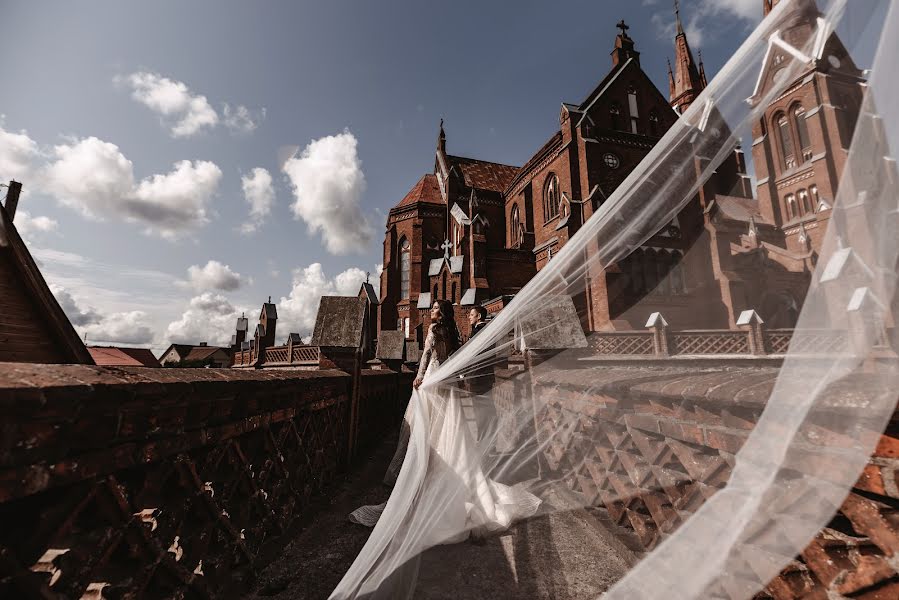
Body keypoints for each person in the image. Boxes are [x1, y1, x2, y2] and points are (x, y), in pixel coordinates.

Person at [338, 299, 540, 599]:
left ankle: (429, 469)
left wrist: (419, 378)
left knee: (428, 433)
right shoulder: (456, 332)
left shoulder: (433, 329)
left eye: (433, 308)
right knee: (451, 433)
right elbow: (451, 359)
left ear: (438, 314)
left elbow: (427, 356)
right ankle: (448, 472)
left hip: (433, 382)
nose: (430, 312)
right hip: (446, 384)